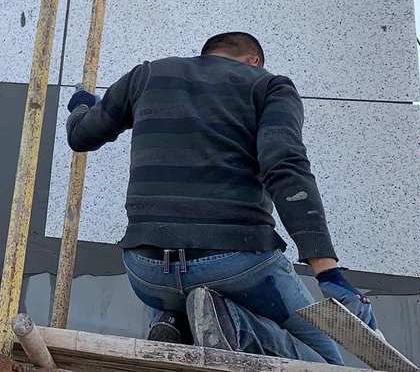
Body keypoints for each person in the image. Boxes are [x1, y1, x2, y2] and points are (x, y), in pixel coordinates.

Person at [64, 32, 375, 364]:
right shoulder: (269, 86)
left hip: (147, 270)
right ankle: (236, 325)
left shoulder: (147, 75)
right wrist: (327, 272)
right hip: (236, 264)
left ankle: (174, 319)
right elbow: (285, 167)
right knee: (325, 363)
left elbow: (81, 136)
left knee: (186, 296)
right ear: (253, 61)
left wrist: (82, 103)